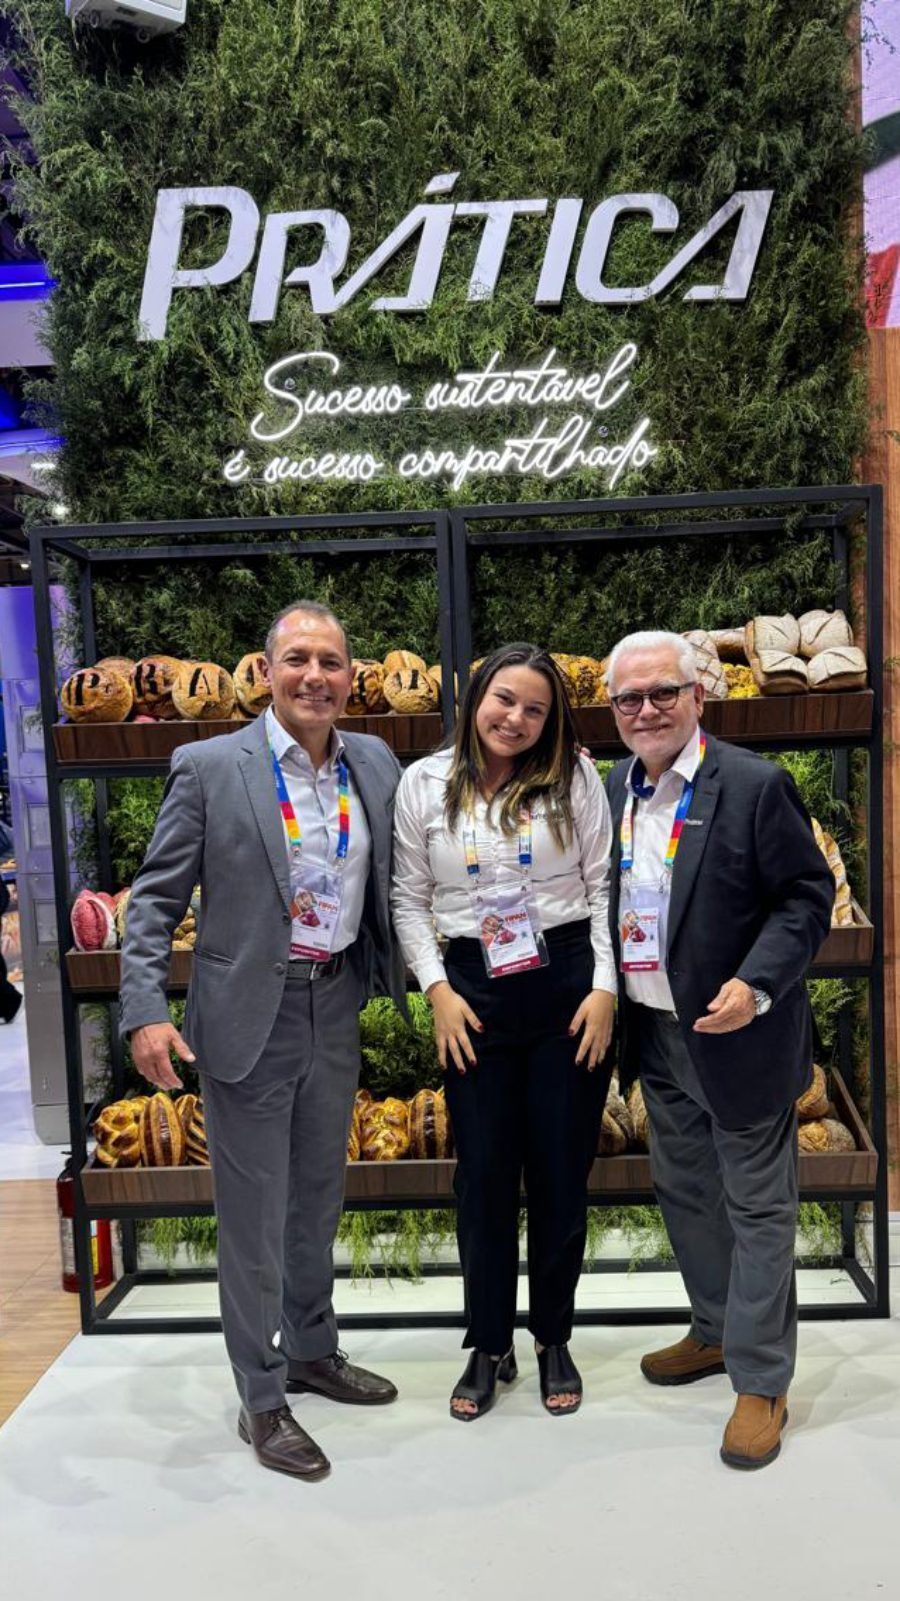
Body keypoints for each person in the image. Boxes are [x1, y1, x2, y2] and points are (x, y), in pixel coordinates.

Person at [120, 601, 406, 1482]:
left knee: (317, 1196)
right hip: (246, 1016)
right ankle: (262, 1393)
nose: (314, 675)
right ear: (266, 670)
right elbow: (156, 899)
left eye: (330, 660)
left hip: (335, 1004)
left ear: (350, 677)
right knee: (250, 1221)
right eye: (297, 659)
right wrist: (144, 1008)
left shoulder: (377, 761)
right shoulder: (210, 767)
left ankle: (313, 1349)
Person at [604, 629, 834, 1470]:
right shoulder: (609, 791)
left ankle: (763, 1378)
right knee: (688, 1196)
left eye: (662, 692)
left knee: (758, 1206)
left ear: (698, 693)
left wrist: (758, 983)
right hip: (657, 1037)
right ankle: (712, 1329)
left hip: (739, 1036)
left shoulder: (753, 785)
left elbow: (807, 897)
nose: (646, 710)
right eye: (629, 699)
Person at [391, 643, 617, 1421]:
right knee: (483, 1176)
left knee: (561, 1170)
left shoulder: (574, 777)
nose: (515, 718)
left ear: (551, 720)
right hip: (471, 986)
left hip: (566, 983)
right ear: (474, 695)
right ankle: (489, 1343)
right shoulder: (422, 783)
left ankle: (554, 1334)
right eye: (504, 699)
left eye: (534, 708)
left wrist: (604, 987)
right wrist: (437, 990)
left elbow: (603, 883)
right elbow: (408, 896)